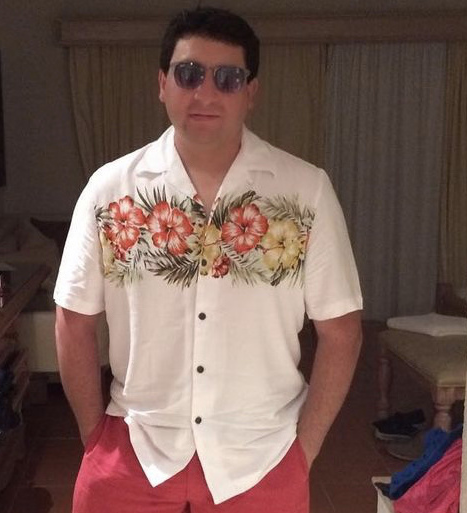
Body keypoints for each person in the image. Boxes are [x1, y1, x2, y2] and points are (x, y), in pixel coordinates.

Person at [54, 6, 363, 513]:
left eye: (228, 78)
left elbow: (342, 330)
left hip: (262, 455)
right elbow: (73, 318)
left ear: (250, 92)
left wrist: (302, 454)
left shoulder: (305, 192)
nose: (205, 92)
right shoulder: (110, 191)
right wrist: (95, 439)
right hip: (133, 450)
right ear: (162, 83)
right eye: (189, 73)